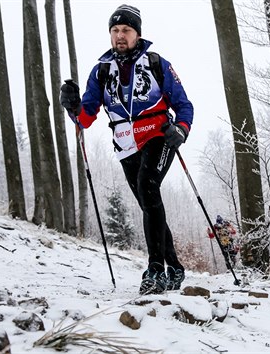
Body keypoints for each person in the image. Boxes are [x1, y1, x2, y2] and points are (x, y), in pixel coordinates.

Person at [59, 4, 194, 295]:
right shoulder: (101, 71)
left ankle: (155, 268)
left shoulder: (157, 63)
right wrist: (72, 106)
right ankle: (176, 267)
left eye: (126, 30)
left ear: (137, 34)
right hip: (124, 143)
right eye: (116, 30)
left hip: (158, 135)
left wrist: (180, 130)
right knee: (149, 202)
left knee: (148, 186)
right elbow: (86, 117)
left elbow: (184, 105)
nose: (120, 36)